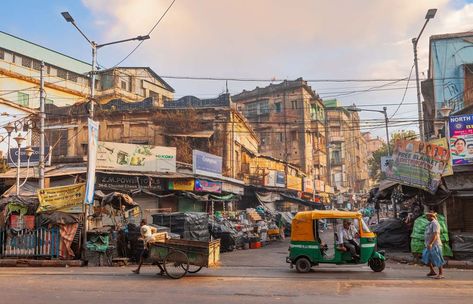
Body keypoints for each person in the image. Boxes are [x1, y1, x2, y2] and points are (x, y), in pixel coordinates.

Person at [422, 212, 445, 279]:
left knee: (437, 258)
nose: (426, 218)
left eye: (427, 216)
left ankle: (441, 273)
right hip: (428, 244)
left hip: (435, 244)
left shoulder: (435, 223)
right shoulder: (430, 224)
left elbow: (435, 234)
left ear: (431, 216)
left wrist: (431, 243)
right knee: (426, 257)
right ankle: (432, 271)